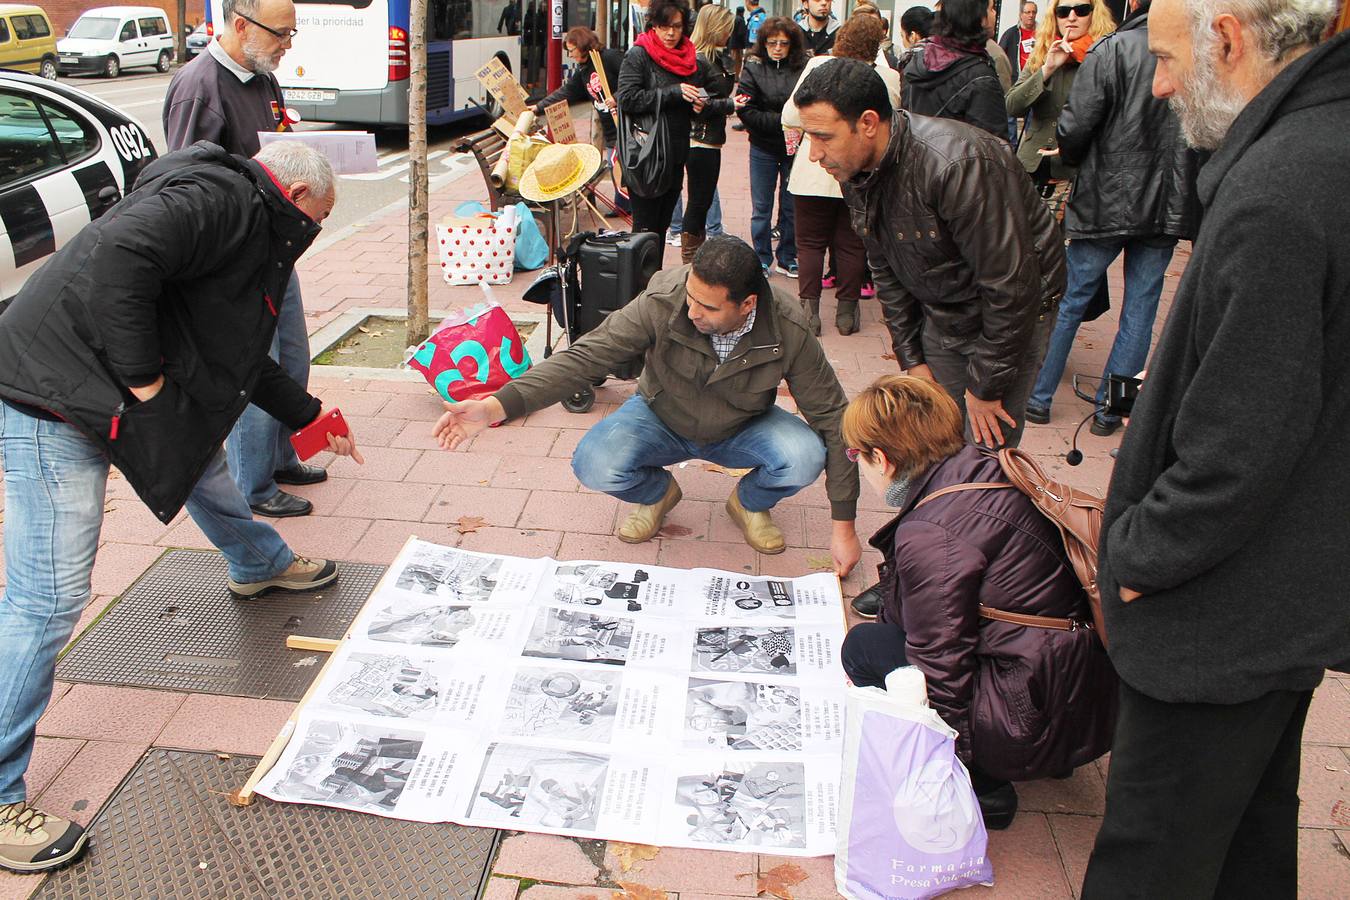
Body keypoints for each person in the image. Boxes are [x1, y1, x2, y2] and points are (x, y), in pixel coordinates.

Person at [0, 141, 364, 874]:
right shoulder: (218, 199)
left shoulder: (247, 222)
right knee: (47, 599)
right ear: (295, 195)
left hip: (102, 385)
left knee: (201, 462)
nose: (316, 233)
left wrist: (310, 410)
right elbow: (118, 262)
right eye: (320, 219)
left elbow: (236, 355)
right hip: (57, 396)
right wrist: (147, 389)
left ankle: (257, 562)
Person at [1080, 0, 1350, 893]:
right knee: (1246, 844)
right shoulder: (1324, 145)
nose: (1157, 84)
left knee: (1154, 859)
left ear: (1227, 38)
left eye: (1164, 59)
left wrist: (1137, 556)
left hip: (1219, 615)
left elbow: (1239, 445)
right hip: (1286, 594)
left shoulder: (1280, 188)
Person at [431, 236, 863, 577]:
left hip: (742, 427)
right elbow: (587, 356)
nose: (692, 310)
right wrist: (497, 406)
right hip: (661, 417)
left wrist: (843, 526)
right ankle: (658, 494)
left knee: (805, 455)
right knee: (594, 462)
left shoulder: (787, 326)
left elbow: (832, 418)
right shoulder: (664, 300)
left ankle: (750, 503)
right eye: (691, 297)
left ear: (747, 304)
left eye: (708, 307)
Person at [840, 375, 1116, 829]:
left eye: (858, 456)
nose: (860, 467)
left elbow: (940, 664)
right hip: (1083, 688)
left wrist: (951, 765)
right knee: (894, 632)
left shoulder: (932, 533)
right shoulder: (986, 466)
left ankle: (987, 785)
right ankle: (1034, 753)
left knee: (865, 648)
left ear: (882, 459)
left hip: (1035, 708)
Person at [801, 57, 1064, 448]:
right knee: (938, 437)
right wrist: (912, 360)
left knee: (984, 451)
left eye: (823, 136)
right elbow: (885, 266)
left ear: (869, 123)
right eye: (809, 137)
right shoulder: (854, 168)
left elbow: (1010, 288)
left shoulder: (958, 164)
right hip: (945, 306)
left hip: (1012, 313)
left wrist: (986, 386)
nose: (814, 154)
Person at [164, 0, 326, 520]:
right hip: (235, 261)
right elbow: (184, 184)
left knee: (294, 355)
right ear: (241, 25)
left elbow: (275, 145)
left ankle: (278, 457)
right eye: (282, 34)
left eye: (292, 33)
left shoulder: (261, 76)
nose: (288, 45)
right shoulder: (199, 87)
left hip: (275, 244)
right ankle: (253, 484)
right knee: (259, 363)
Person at [1024, 0, 1200, 432]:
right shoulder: (1195, 50)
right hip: (1166, 199)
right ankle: (1113, 409)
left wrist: (1073, 155)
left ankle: (1040, 397)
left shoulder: (1113, 49)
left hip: (1108, 193)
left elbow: (1076, 123)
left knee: (1071, 299)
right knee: (1140, 307)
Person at [782, 16, 900, 336]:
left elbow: (791, 114)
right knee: (852, 244)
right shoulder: (887, 76)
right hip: (861, 172)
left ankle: (809, 313)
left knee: (809, 243)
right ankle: (847, 313)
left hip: (814, 168)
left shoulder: (819, 64)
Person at [617, 0, 706, 248]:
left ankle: (652, 283)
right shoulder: (639, 54)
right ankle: (636, 286)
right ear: (653, 26)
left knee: (662, 227)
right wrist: (673, 92)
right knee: (644, 231)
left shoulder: (687, 56)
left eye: (676, 26)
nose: (670, 33)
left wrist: (696, 104)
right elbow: (626, 98)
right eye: (664, 26)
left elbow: (687, 98)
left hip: (675, 153)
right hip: (647, 154)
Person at [1006, 0, 1115, 185]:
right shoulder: (1042, 51)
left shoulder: (1106, 56)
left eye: (1081, 10)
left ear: (1093, 14)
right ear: (1054, 17)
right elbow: (1012, 106)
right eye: (1063, 12)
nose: (1071, 18)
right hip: (1033, 166)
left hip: (1079, 171)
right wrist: (1046, 70)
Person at [736, 16, 807, 276]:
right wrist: (783, 122)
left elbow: (807, 104)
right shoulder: (753, 67)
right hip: (763, 145)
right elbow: (745, 109)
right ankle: (761, 257)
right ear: (763, 43)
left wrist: (791, 125)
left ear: (792, 45)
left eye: (783, 43)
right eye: (772, 42)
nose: (777, 47)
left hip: (794, 147)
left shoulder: (802, 67)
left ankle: (788, 256)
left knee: (791, 206)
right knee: (761, 207)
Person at [681, 4, 737, 263]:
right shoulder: (699, 60)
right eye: (726, 28)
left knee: (701, 201)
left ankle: (694, 257)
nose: (729, 33)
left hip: (709, 139)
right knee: (698, 201)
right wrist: (731, 105)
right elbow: (697, 106)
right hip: (699, 139)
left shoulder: (713, 57)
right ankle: (690, 260)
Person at [902, 0, 1009, 136]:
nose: (995, 14)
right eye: (991, 8)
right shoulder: (981, 77)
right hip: (959, 155)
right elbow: (992, 146)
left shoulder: (917, 60)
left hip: (919, 154)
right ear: (979, 17)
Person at [534, 28, 623, 152]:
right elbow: (567, 91)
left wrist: (616, 97)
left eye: (571, 51)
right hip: (611, 136)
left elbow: (633, 81)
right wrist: (538, 107)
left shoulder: (610, 57)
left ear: (582, 46)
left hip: (626, 130)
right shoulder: (583, 69)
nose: (569, 55)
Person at [1000, 1, 1041, 77]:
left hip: (1036, 79)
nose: (1031, 15)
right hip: (1016, 80)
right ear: (1021, 14)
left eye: (1033, 12)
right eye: (1028, 12)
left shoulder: (1042, 33)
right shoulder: (1010, 34)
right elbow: (1000, 56)